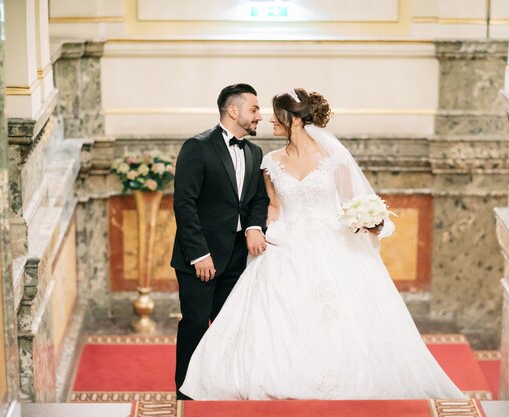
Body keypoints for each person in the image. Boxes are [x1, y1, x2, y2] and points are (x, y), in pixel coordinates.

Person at [179, 88, 466, 400]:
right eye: (261, 110)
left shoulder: (333, 159)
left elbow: (349, 202)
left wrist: (367, 219)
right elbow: (271, 206)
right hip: (284, 242)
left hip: (330, 242)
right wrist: (261, 229)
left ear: (296, 121)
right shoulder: (270, 160)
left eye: (276, 114)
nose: (269, 119)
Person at [171, 83, 270, 399]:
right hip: (201, 260)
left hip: (239, 260)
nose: (259, 116)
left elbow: (258, 199)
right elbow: (184, 203)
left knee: (231, 331)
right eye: (254, 109)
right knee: (196, 326)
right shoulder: (197, 147)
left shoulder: (255, 152)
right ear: (233, 110)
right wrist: (199, 254)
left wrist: (255, 226)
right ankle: (186, 395)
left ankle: (222, 390)